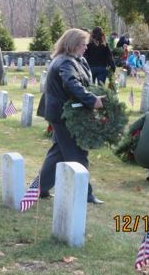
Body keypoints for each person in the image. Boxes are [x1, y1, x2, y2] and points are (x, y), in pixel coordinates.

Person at [36, 28, 105, 204]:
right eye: (83, 44)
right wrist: (92, 100)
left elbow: (84, 83)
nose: (86, 48)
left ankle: (40, 188)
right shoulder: (65, 62)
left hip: (67, 112)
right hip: (63, 114)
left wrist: (95, 96)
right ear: (73, 44)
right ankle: (85, 193)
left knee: (58, 152)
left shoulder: (77, 60)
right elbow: (71, 84)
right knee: (77, 152)